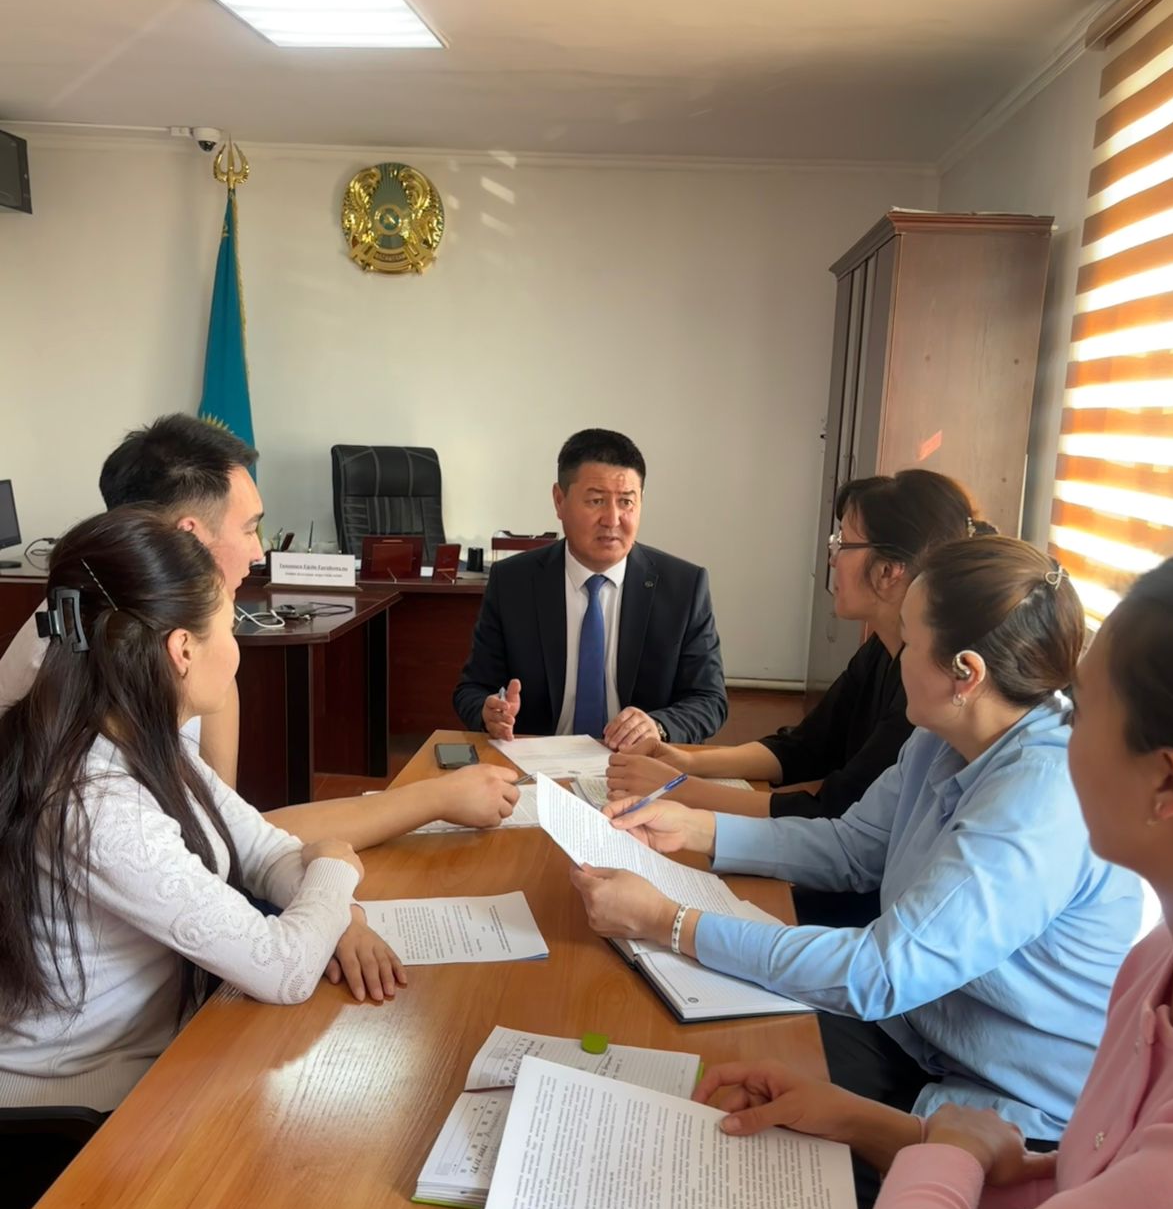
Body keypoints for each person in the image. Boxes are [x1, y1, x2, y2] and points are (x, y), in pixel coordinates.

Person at [691, 548, 1173, 1209]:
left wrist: (945, 1144)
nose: (1055, 724)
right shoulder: (1159, 966)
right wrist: (873, 1124)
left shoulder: (1035, 789)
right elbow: (1074, 1189)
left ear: (1166, 785)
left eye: (1084, 709)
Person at [571, 537, 1144, 1202]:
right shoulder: (943, 736)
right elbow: (851, 847)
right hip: (917, 1038)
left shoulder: (1039, 800)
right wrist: (697, 828)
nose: (895, 655)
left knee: (738, 1161)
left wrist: (669, 921)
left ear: (965, 673)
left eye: (909, 639)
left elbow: (880, 973)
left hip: (1009, 1119)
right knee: (716, 1072)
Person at [0, 507, 403, 1121]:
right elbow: (284, 969)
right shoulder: (98, 805)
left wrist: (337, 916)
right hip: (75, 1108)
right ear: (182, 650)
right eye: (230, 627)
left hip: (154, 1054)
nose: (236, 649)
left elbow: (263, 849)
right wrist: (336, 870)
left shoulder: (138, 740)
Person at [0, 414, 521, 839]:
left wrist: (428, 801)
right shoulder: (83, 667)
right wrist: (428, 801)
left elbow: (230, 832)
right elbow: (219, 851)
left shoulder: (166, 635)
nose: (258, 551)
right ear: (188, 538)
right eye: (250, 529)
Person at [605, 469, 985, 824]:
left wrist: (678, 789)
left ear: (888, 571)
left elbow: (835, 812)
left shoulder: (925, 682)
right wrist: (685, 762)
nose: (832, 560)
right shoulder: (880, 651)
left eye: (842, 543)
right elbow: (806, 747)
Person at [453, 427, 727, 749]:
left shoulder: (683, 587)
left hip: (638, 762)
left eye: (626, 502)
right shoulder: (513, 582)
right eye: (596, 500)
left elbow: (709, 699)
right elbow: (472, 689)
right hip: (537, 759)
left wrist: (659, 726)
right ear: (559, 501)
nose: (612, 519)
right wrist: (488, 712)